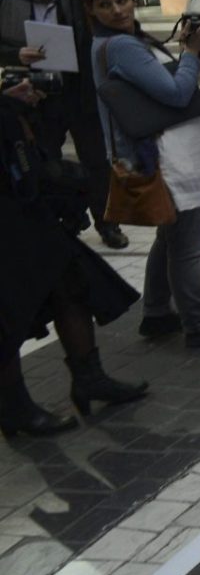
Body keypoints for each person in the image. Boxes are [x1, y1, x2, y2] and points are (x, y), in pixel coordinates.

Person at [85, 0, 200, 348]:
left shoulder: (111, 43)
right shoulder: (122, 46)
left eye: (122, 0)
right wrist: (191, 52)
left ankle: (158, 311)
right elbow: (177, 94)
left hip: (152, 153)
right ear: (89, 10)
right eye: (104, 4)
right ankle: (199, 323)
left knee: (170, 235)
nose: (116, 10)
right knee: (188, 242)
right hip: (164, 156)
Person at [1, 76, 145, 435]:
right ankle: (14, 408)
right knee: (6, 309)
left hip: (18, 194)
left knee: (70, 279)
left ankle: (89, 378)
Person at [0, 0, 125, 248]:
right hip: (37, 95)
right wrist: (17, 55)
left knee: (97, 161)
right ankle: (63, 218)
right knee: (44, 162)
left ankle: (108, 223)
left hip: (81, 90)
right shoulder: (8, 0)